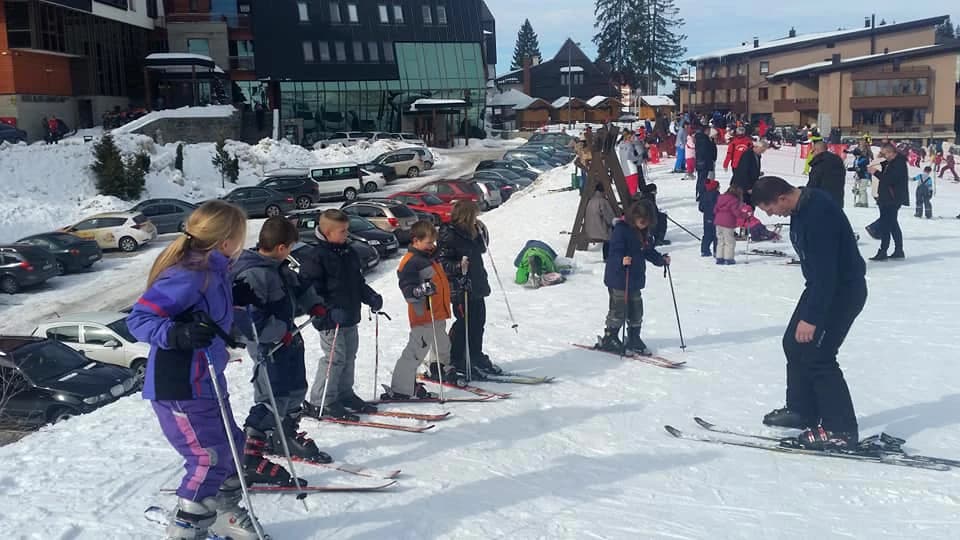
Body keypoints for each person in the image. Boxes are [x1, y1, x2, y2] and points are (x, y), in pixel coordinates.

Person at [126, 201, 276, 540]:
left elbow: (208, 316)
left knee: (233, 448)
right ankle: (186, 528)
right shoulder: (187, 275)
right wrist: (176, 334)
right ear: (225, 241)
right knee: (208, 458)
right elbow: (138, 320)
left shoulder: (215, 271)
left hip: (207, 379)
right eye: (240, 236)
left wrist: (236, 299)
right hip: (180, 384)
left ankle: (222, 512)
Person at [753, 177, 866, 450]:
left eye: (770, 209)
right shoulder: (800, 208)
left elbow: (828, 274)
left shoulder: (818, 214)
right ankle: (802, 410)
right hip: (820, 287)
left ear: (782, 198)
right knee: (793, 344)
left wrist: (812, 318)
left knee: (819, 356)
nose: (771, 215)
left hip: (841, 292)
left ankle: (840, 429)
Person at [230, 217, 332, 465]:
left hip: (289, 339)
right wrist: (277, 333)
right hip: (269, 346)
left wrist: (314, 304)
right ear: (281, 247)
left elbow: (299, 287)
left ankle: (285, 436)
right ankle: (250, 454)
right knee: (273, 397)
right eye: (291, 247)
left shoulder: (280, 267)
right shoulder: (253, 275)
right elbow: (250, 322)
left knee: (295, 389)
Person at [299, 209, 384, 421]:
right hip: (330, 319)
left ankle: (344, 393)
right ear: (327, 232)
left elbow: (357, 283)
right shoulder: (315, 257)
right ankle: (322, 401)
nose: (347, 234)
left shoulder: (348, 252)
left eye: (347, 230)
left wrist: (370, 296)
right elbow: (310, 291)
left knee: (349, 356)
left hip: (349, 315)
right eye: (342, 231)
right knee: (334, 359)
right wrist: (327, 310)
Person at [381, 221, 450, 400]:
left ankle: (438, 369)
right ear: (416, 241)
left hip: (437, 312)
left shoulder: (430, 257)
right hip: (423, 315)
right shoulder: (410, 262)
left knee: (442, 343)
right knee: (416, 351)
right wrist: (420, 290)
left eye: (433, 242)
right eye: (428, 242)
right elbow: (408, 291)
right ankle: (401, 388)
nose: (432, 246)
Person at [436, 200, 502, 380]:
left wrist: (481, 231)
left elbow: (481, 248)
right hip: (460, 287)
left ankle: (475, 356)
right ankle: (457, 359)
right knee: (465, 325)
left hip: (476, 284)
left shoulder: (471, 231)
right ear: (467, 216)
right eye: (475, 215)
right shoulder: (449, 234)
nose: (477, 218)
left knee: (478, 323)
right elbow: (441, 262)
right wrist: (458, 266)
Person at [596, 201, 670, 355]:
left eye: (647, 221)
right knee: (619, 308)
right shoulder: (621, 230)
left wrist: (660, 260)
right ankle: (610, 337)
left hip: (635, 276)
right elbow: (613, 252)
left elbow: (648, 251)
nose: (644, 223)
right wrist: (621, 259)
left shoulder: (644, 232)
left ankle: (634, 337)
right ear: (633, 217)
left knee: (636, 308)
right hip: (619, 277)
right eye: (641, 220)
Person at [868, 143, 909, 261]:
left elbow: (890, 179)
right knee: (892, 224)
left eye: (885, 153)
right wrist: (880, 162)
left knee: (886, 225)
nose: (884, 155)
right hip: (887, 198)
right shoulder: (892, 162)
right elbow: (888, 172)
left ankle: (883, 251)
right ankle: (898, 250)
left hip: (891, 199)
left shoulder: (898, 163)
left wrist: (875, 172)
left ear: (891, 152)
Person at [714, 184, 748, 265]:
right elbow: (736, 212)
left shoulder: (720, 198)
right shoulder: (734, 200)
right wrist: (744, 215)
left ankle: (719, 258)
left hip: (718, 222)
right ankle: (728, 258)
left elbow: (715, 210)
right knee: (729, 241)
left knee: (720, 240)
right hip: (728, 223)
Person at [807, 141, 847, 208]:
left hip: (821, 202)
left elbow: (813, 183)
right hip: (837, 201)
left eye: (813, 151)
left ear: (818, 150)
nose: (812, 154)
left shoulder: (819, 162)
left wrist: (806, 196)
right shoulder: (837, 161)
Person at [586, 183, 618, 261]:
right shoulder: (603, 201)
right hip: (600, 230)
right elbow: (610, 218)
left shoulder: (591, 200)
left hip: (590, 230)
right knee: (615, 232)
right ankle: (608, 256)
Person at [732, 139, 765, 206]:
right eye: (762, 150)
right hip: (742, 186)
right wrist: (748, 187)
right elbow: (743, 172)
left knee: (750, 206)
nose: (763, 152)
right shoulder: (747, 155)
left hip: (750, 186)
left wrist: (757, 173)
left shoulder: (757, 156)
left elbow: (751, 169)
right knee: (743, 206)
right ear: (756, 147)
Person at [694, 121, 717, 202]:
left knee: (700, 179)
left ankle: (700, 193)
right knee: (703, 180)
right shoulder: (705, 140)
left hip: (700, 162)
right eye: (709, 130)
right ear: (706, 131)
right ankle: (701, 194)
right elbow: (707, 152)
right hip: (704, 162)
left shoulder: (700, 138)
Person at [699, 177, 720, 257]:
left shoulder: (704, 195)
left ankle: (704, 250)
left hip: (706, 218)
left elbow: (701, 208)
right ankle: (716, 251)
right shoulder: (717, 195)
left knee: (707, 235)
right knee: (716, 235)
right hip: (716, 218)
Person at [617, 129, 641, 195]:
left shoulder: (621, 145)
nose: (634, 139)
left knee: (629, 187)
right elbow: (631, 157)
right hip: (631, 169)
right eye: (633, 137)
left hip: (625, 169)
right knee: (633, 188)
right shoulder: (629, 145)